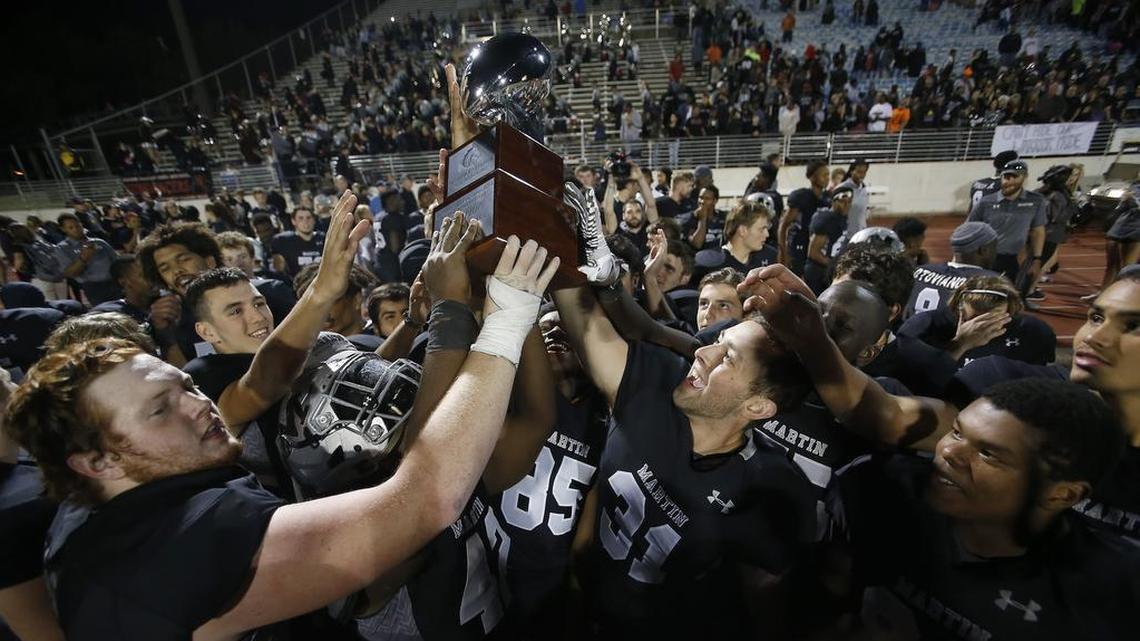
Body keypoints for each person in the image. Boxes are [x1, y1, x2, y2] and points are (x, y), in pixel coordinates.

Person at [4, 228, 561, 640]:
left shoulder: (99, 515)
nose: (198, 406)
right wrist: (502, 319)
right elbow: (424, 500)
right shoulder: (187, 536)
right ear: (95, 462)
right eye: (158, 410)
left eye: (182, 387)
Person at [739, 265, 1140, 638]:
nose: (1094, 337)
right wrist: (812, 337)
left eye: (1133, 325)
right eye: (1096, 316)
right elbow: (888, 416)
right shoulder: (1011, 395)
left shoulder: (1104, 590)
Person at [554, 184, 817, 637]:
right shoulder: (656, 381)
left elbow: (767, 601)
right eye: (716, 343)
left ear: (758, 405)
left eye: (727, 359)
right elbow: (581, 317)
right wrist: (569, 238)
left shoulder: (771, 489)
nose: (703, 355)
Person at [137, 221, 298, 366]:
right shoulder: (168, 320)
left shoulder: (270, 292)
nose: (176, 270)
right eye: (165, 268)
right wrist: (166, 336)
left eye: (183, 259)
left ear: (209, 261)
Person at [900, 275, 1056, 366]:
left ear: (1010, 311)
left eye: (990, 319)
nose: (980, 327)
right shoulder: (924, 326)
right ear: (959, 307)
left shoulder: (1034, 332)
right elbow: (913, 382)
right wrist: (959, 344)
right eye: (974, 319)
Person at [967, 159, 1046, 302]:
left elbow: (1038, 231)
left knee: (1007, 296)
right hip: (986, 256)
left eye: (1014, 176)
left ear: (1024, 177)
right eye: (1005, 176)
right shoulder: (987, 202)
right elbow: (970, 228)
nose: (1008, 181)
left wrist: (1037, 259)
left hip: (1014, 259)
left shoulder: (1036, 201)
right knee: (980, 295)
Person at [904, 221, 1000, 320]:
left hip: (908, 333)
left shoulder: (920, 270)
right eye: (994, 248)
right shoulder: (990, 282)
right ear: (983, 250)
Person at [56, 212, 119, 305]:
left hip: (115, 283)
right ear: (63, 229)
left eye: (78, 226)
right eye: (71, 227)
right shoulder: (63, 248)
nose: (76, 229)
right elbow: (70, 273)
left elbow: (117, 261)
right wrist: (84, 258)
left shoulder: (99, 242)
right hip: (94, 288)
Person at [780, 160, 830, 275]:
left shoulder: (828, 198)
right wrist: (783, 253)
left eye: (828, 175)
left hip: (817, 250)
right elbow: (783, 225)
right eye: (823, 175)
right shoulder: (801, 197)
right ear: (812, 177)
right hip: (799, 247)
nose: (827, 178)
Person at [804, 183, 855, 293]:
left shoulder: (841, 218)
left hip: (827, 269)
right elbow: (813, 253)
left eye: (849, 202)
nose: (847, 205)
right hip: (818, 272)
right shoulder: (827, 219)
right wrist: (835, 265)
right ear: (833, 202)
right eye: (842, 201)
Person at [89, 255, 155, 324]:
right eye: (144, 275)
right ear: (123, 282)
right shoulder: (109, 314)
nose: (152, 279)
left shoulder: (164, 303)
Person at [271, 207, 326, 277]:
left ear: (314, 220)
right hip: (295, 284)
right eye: (301, 218)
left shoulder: (324, 238)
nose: (305, 221)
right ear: (293, 221)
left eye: (308, 218)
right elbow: (279, 270)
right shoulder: (283, 241)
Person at [839, 159, 871, 239]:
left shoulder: (863, 189)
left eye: (864, 172)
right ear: (851, 171)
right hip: (845, 233)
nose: (862, 175)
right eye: (859, 172)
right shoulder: (843, 188)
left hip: (860, 231)